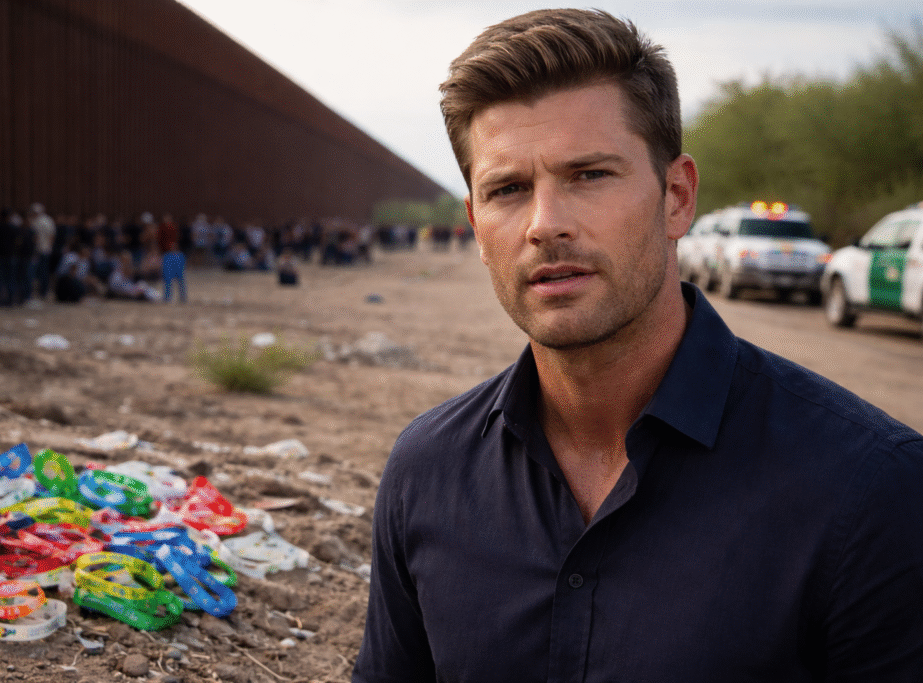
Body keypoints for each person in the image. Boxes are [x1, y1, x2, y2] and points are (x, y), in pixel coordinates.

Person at [352, 9, 923, 683]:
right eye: (508, 189)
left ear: (677, 197)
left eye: (590, 174)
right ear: (477, 226)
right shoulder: (428, 471)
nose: (545, 225)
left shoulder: (870, 488)